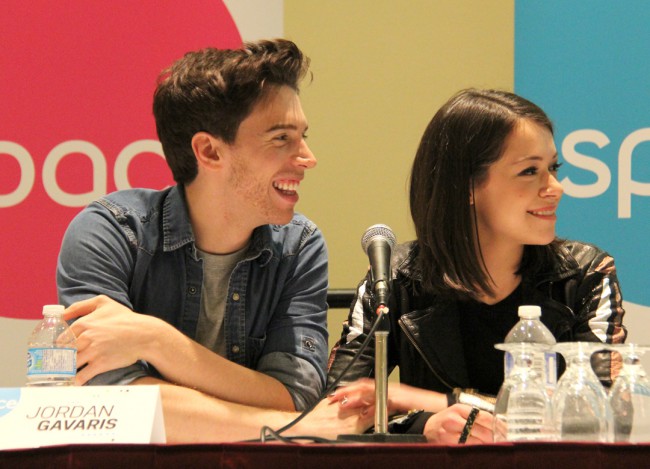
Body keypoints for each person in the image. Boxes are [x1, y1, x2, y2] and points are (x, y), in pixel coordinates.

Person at [56, 39, 372, 442]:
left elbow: (295, 396)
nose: (308, 157)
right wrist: (276, 423)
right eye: (281, 138)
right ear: (209, 151)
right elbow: (109, 403)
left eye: (303, 136)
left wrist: (157, 341)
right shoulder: (112, 232)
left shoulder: (300, 246)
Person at [326, 88, 627, 444]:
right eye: (530, 171)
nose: (556, 187)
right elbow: (337, 412)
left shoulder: (587, 275)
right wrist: (427, 426)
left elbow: (596, 417)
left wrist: (435, 403)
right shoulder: (393, 279)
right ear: (466, 185)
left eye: (552, 168)